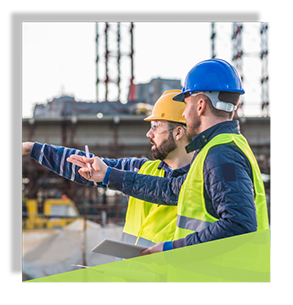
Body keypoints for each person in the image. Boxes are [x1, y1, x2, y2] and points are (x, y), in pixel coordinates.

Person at [75, 58, 269, 255]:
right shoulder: (217, 150)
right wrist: (108, 175)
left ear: (200, 105)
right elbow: (170, 189)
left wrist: (172, 248)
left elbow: (239, 225)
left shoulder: (223, 155)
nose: (184, 114)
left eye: (186, 104)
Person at [23, 89, 194, 248]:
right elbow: (87, 166)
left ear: (178, 133)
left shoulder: (202, 179)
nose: (149, 134)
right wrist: (32, 148)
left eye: (155, 127)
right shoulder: (140, 169)